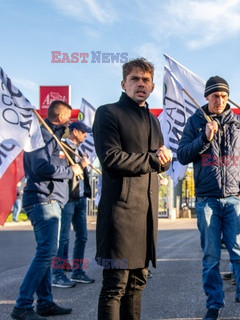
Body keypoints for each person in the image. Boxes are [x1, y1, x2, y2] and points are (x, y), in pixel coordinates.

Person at [177, 77, 240, 320]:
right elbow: (182, 155)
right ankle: (214, 306)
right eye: (214, 96)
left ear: (228, 97)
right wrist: (205, 138)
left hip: (234, 199)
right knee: (210, 257)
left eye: (223, 96)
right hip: (207, 200)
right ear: (207, 97)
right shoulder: (196, 121)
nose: (219, 100)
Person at [93, 58, 173, 320]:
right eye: (135, 79)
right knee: (115, 287)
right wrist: (153, 159)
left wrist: (164, 160)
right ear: (123, 83)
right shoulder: (108, 112)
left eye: (146, 80)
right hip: (120, 216)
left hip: (147, 218)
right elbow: (111, 159)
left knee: (137, 284)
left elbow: (156, 163)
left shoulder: (154, 120)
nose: (141, 84)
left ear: (152, 87)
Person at [11, 100, 83, 320]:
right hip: (44, 200)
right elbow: (42, 167)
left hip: (49, 200)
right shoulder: (42, 136)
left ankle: (45, 303)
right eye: (69, 117)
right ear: (60, 117)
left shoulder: (52, 137)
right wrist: (71, 171)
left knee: (45, 252)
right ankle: (22, 306)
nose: (71, 122)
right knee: (46, 253)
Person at [51, 121, 94, 288]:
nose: (85, 135)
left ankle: (77, 271)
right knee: (62, 239)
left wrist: (85, 167)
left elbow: (81, 171)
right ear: (75, 132)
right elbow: (60, 170)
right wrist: (79, 166)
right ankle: (57, 274)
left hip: (80, 198)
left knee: (82, 236)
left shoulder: (80, 150)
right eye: (83, 132)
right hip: (67, 198)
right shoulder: (61, 148)